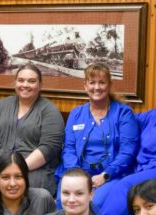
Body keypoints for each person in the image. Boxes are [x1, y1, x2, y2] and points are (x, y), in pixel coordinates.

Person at [91, 72, 156, 215]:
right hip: (140, 171)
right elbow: (125, 117)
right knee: (100, 197)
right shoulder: (153, 116)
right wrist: (105, 99)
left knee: (127, 186)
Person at [0, 64, 64, 196]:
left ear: (40, 85)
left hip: (32, 174)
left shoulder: (50, 111)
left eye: (31, 81)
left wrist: (17, 170)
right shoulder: (1, 105)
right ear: (15, 82)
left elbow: (49, 147)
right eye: (21, 80)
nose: (25, 85)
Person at [56, 63, 138, 205]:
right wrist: (79, 177)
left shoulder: (124, 113)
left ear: (110, 85)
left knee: (96, 204)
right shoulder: (76, 113)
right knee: (64, 203)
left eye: (102, 82)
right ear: (85, 86)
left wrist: (105, 175)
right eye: (92, 83)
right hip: (77, 175)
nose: (97, 87)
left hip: (112, 176)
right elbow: (68, 149)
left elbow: (127, 151)